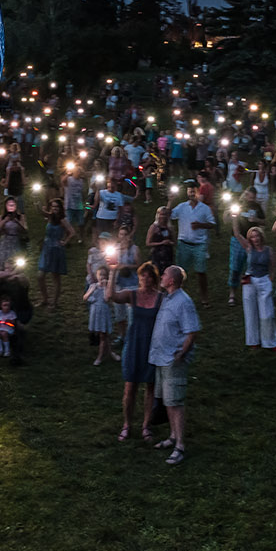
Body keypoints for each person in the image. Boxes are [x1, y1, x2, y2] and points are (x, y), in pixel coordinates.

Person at [147, 266, 200, 463]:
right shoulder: (167, 298)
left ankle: (180, 446)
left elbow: (192, 331)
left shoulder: (183, 302)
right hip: (161, 358)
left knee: (175, 403)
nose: (162, 276)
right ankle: (172, 436)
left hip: (172, 360)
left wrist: (181, 354)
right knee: (168, 401)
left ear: (172, 280)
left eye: (165, 274)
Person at [108, 260, 161, 440]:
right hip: (133, 345)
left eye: (149, 275)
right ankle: (127, 424)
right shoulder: (132, 295)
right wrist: (113, 272)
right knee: (130, 387)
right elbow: (111, 296)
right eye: (142, 275)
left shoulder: (161, 298)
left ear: (154, 279)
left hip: (152, 347)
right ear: (138, 277)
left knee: (150, 387)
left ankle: (146, 425)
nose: (145, 278)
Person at [170, 183, 217, 301]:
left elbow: (212, 224)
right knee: (180, 273)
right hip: (184, 244)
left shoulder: (204, 208)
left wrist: (200, 225)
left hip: (199, 245)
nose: (191, 194)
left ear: (198, 193)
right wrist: (170, 201)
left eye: (193, 191)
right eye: (189, 191)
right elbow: (169, 215)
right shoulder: (182, 207)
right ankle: (179, 296)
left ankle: (204, 297)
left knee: (201, 272)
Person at [239, 226, 276, 352]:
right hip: (250, 281)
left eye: (257, 236)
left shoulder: (269, 250)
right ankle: (253, 341)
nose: (255, 239)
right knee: (250, 312)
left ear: (261, 236)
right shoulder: (249, 249)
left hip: (264, 279)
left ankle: (270, 342)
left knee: (267, 313)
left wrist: (270, 279)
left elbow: (273, 266)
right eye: (252, 237)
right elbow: (237, 234)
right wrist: (235, 218)